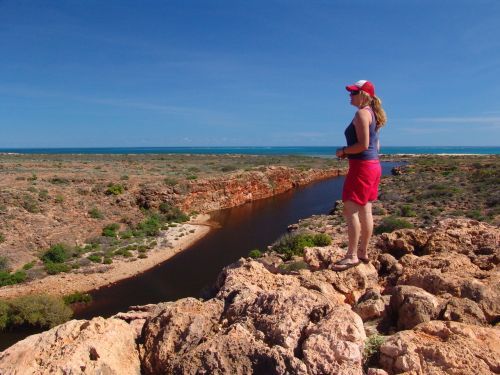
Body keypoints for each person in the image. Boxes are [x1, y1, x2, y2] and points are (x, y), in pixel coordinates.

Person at [332, 80, 387, 271]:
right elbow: (375, 146)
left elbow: (363, 145)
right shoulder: (372, 114)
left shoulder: (362, 113)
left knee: (350, 209)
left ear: (364, 95)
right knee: (366, 210)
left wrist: (344, 151)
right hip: (373, 166)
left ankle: (352, 256)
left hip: (361, 168)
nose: (350, 95)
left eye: (354, 92)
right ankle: (363, 252)